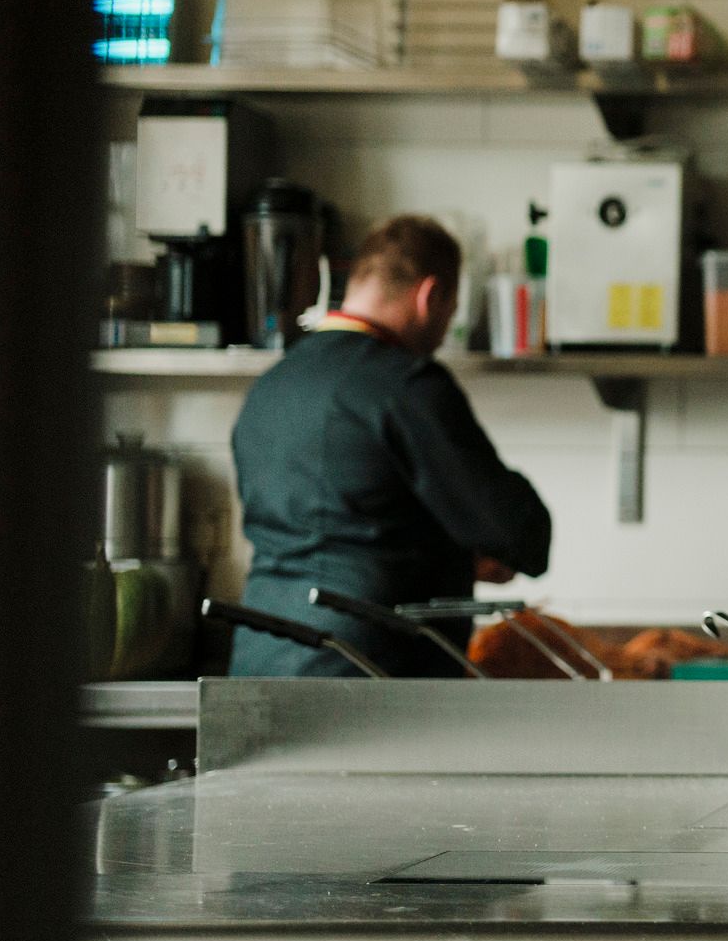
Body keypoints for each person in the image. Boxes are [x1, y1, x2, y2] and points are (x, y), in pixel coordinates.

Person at [228, 214, 551, 676]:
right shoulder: (406, 384)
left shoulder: (271, 387)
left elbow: (334, 526)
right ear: (430, 296)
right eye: (448, 311)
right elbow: (517, 530)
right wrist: (484, 550)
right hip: (370, 678)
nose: (441, 334)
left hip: (260, 664)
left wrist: (449, 554)